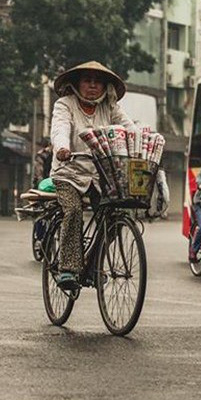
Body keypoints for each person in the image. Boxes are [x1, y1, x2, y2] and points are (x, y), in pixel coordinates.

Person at [50, 61, 136, 290]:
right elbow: (59, 128)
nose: (92, 86)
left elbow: (129, 128)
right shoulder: (64, 104)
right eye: (87, 80)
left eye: (97, 81)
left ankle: (93, 265)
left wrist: (146, 143)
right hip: (68, 172)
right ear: (77, 83)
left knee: (115, 217)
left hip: (99, 176)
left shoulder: (110, 108)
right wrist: (61, 148)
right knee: (74, 211)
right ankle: (68, 268)